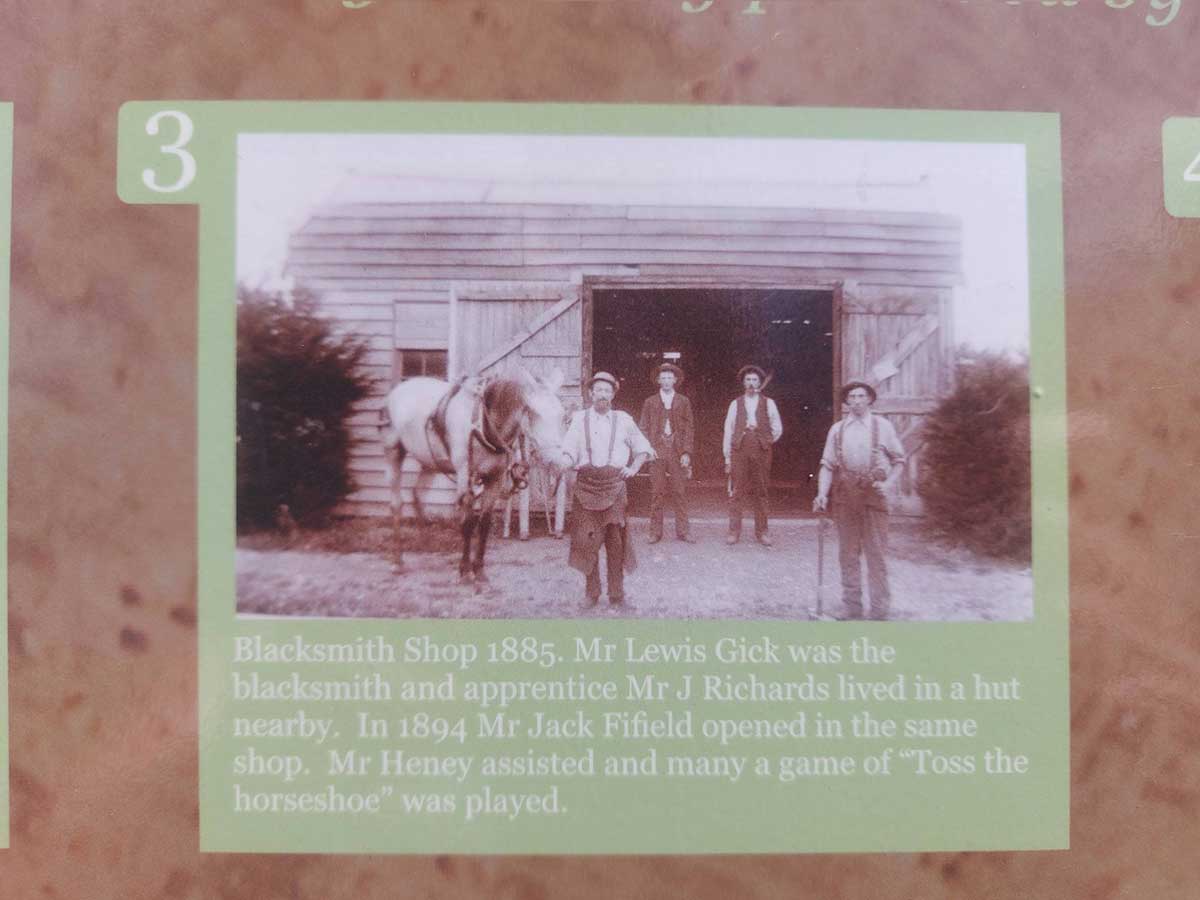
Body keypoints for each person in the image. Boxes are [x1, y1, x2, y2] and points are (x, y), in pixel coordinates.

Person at [813, 381, 906, 620]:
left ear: (869, 399)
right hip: (846, 497)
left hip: (874, 496)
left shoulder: (882, 426)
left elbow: (899, 460)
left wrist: (888, 484)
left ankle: (879, 610)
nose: (856, 400)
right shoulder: (837, 429)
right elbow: (827, 465)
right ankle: (852, 607)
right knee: (848, 555)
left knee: (876, 555)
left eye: (861, 396)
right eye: (852, 396)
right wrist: (822, 493)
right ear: (847, 402)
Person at [564, 372, 654, 606]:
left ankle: (617, 592)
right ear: (590, 394)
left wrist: (633, 468)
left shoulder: (623, 419)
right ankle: (591, 593)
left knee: (615, 544)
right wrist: (563, 460)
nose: (602, 394)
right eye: (598, 390)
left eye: (607, 390)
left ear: (613, 395)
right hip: (585, 488)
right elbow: (569, 449)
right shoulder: (579, 419)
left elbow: (643, 448)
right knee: (586, 542)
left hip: (614, 489)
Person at [722, 365, 783, 546]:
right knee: (736, 492)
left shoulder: (768, 403)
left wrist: (764, 440)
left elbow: (777, 428)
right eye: (748, 380)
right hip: (739, 451)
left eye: (754, 380)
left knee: (761, 491)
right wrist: (727, 457)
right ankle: (734, 531)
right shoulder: (735, 404)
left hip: (761, 452)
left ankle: (762, 532)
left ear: (759, 383)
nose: (751, 383)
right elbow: (728, 430)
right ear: (743, 383)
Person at [638, 362, 696, 544]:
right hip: (657, 451)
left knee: (679, 492)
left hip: (677, 451)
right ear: (658, 380)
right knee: (657, 492)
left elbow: (689, 428)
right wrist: (648, 449)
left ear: (675, 380)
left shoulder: (683, 401)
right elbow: (643, 428)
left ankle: (683, 532)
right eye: (663, 378)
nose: (666, 381)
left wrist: (686, 452)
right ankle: (655, 532)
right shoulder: (650, 402)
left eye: (670, 377)